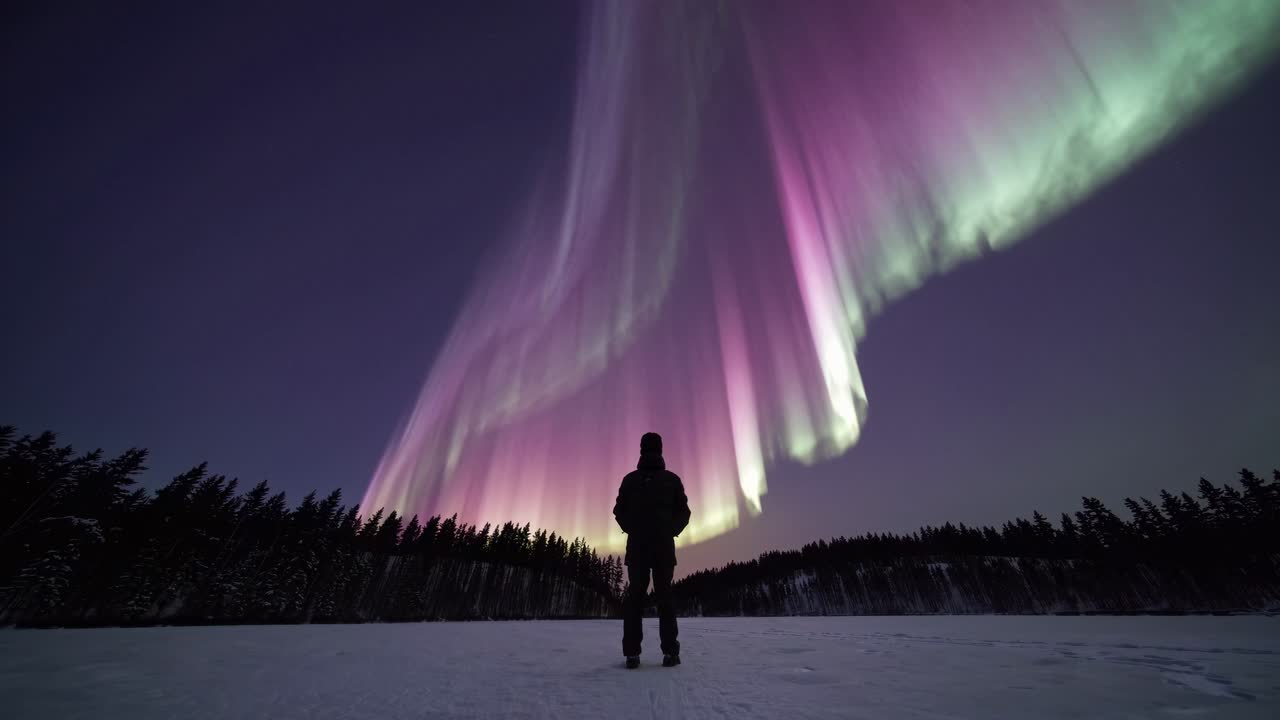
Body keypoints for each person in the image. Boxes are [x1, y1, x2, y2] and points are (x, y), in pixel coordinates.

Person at [612, 431, 691, 669]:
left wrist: (633, 529)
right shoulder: (671, 480)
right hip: (661, 549)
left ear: (641, 450)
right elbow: (684, 513)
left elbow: (619, 511)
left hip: (639, 548)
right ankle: (670, 653)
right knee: (664, 598)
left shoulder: (631, 480)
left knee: (635, 599)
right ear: (661, 449)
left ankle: (632, 654)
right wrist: (670, 531)